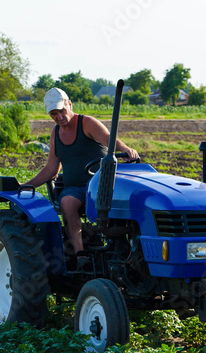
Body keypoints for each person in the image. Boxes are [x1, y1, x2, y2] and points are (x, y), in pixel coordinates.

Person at [23, 87, 139, 262]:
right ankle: (80, 254)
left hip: (100, 185)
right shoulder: (55, 133)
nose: (59, 117)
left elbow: (109, 139)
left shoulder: (86, 123)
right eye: (54, 114)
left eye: (61, 111)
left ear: (69, 104)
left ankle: (127, 249)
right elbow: (51, 169)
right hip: (74, 189)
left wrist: (125, 149)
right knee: (67, 202)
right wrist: (25, 186)